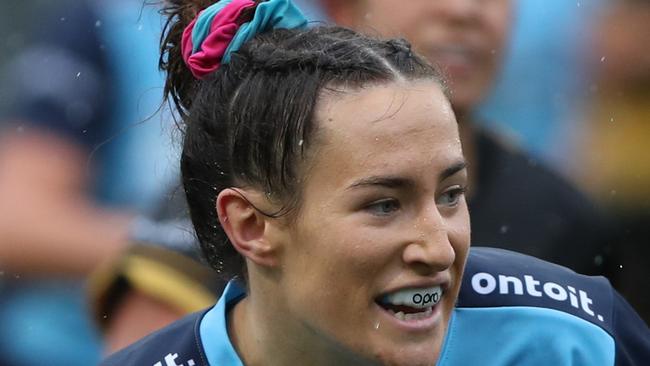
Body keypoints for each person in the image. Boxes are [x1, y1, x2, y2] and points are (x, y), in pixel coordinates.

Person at [102, 1, 649, 365]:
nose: (439, 247)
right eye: (384, 204)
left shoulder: (572, 336)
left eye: (451, 195)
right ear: (249, 225)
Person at [321, 0, 616, 278]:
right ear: (344, 9)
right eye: (382, 206)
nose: (463, 9)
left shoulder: (561, 222)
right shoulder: (284, 196)